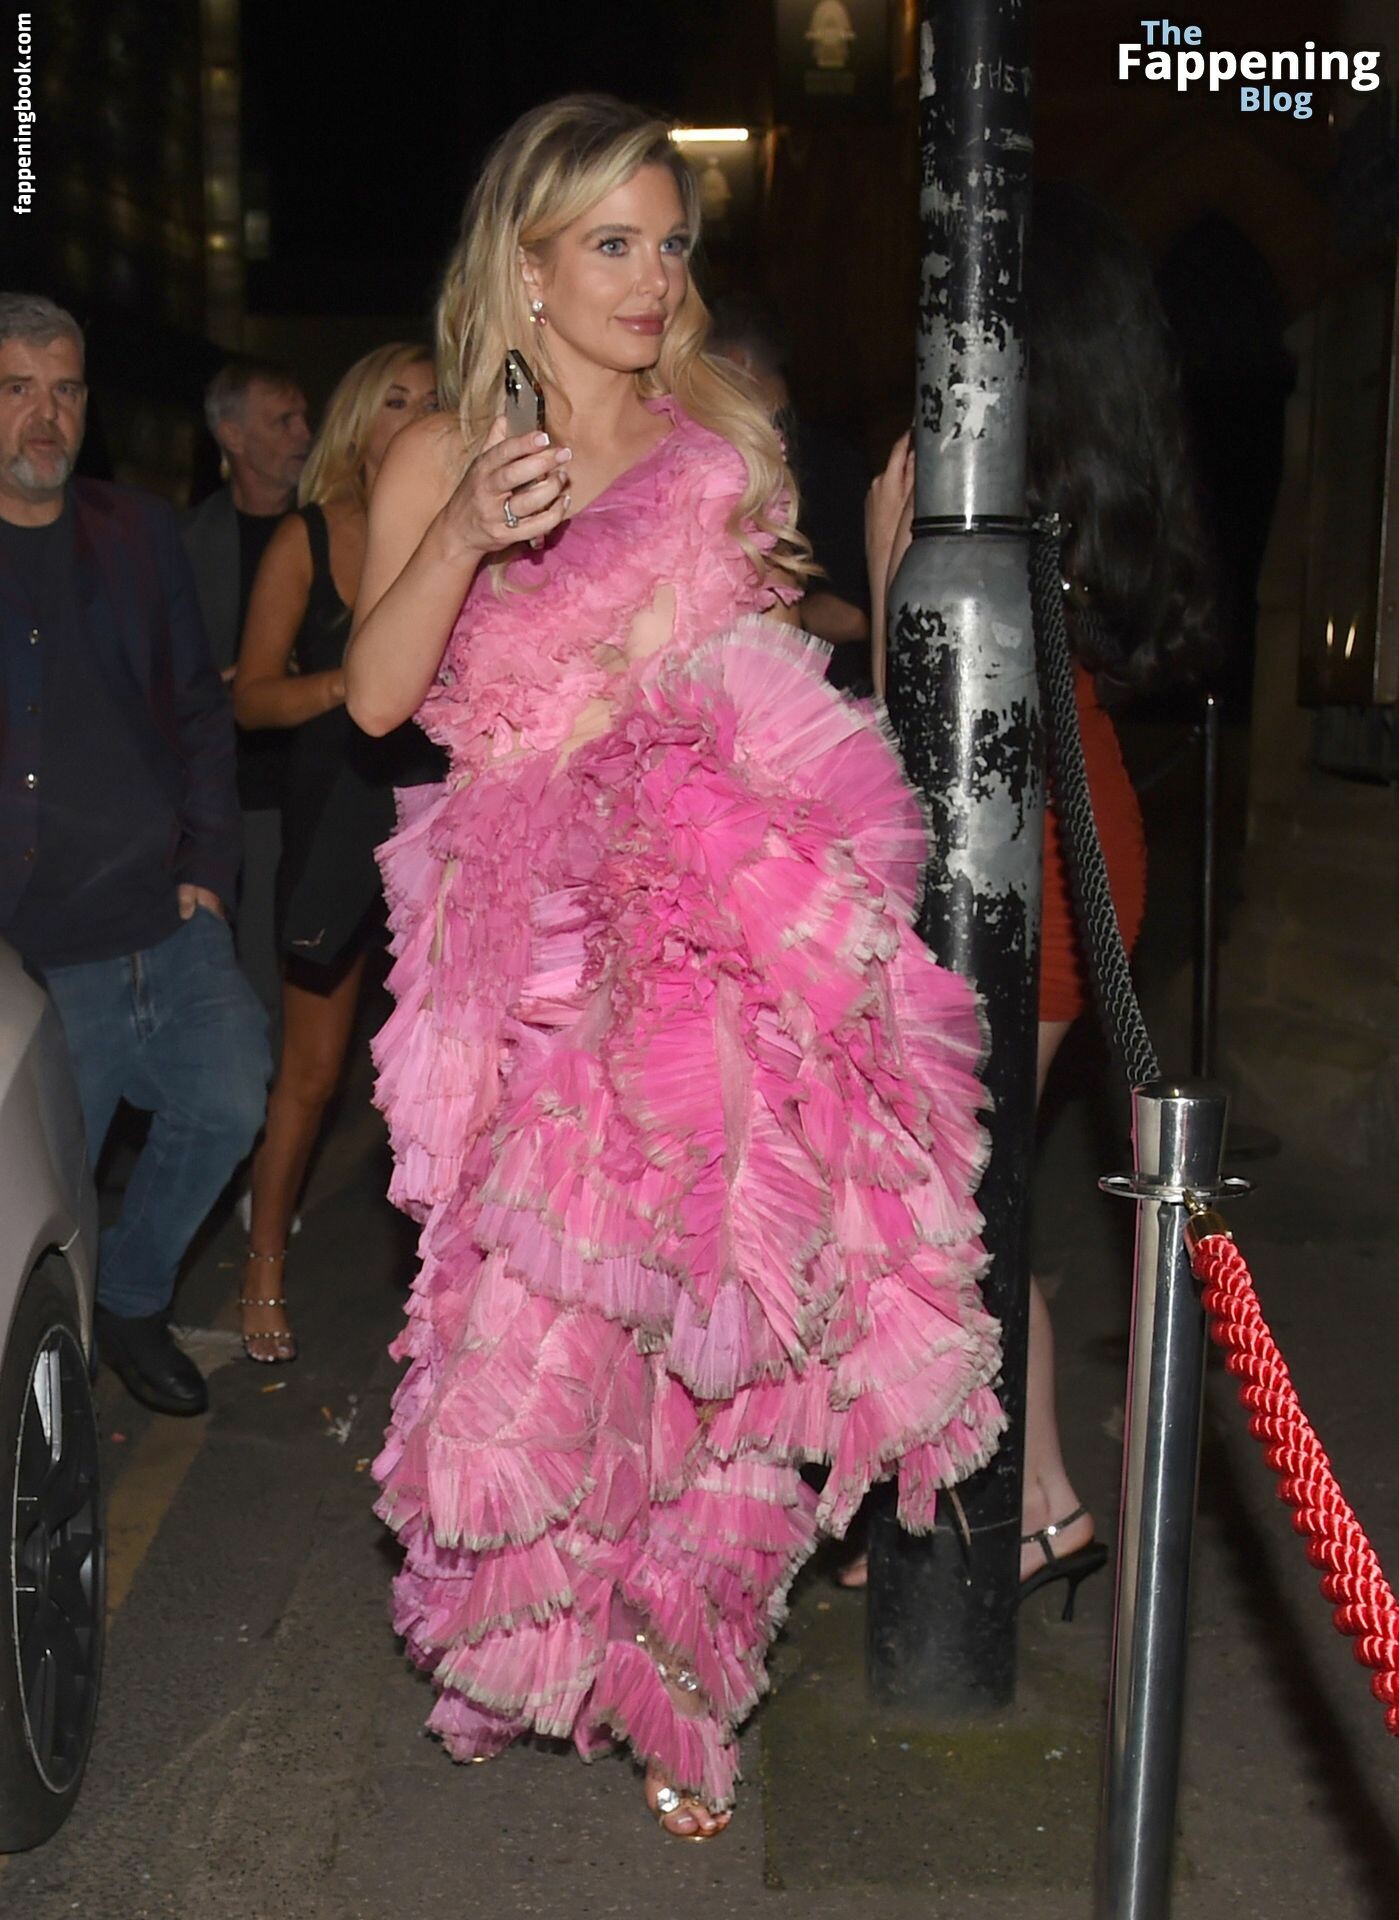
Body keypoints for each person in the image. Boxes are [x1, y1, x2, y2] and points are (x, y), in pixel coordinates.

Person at [343, 95, 1002, 1841]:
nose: (650, 281)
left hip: (696, 924)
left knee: (723, 1316)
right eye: (611, 245)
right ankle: (552, 1633)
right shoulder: (434, 450)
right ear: (526, 264)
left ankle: (678, 1670)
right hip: (523, 937)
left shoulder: (713, 445)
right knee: (540, 1324)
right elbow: (374, 700)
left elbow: (756, 684)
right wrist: (462, 530)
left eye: (669, 245)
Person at [856, 184, 1213, 1603]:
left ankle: (1012, 1506)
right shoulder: (1074, 477)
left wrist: (886, 568)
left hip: (1019, 838)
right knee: (968, 1182)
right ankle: (1037, 1502)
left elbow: (917, 716)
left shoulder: (970, 474)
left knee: (952, 1190)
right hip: (1070, 818)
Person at [0, 293, 271, 1416]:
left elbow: (201, 711)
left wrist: (207, 867)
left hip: (167, 914)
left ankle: (134, 1300)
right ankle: (49, 1409)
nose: (46, 416)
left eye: (65, 389)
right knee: (41, 1203)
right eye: (17, 389)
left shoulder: (137, 529)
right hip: (35, 952)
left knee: (231, 1098)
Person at [231, 343, 441, 1363]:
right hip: (335, 824)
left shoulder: (467, 532)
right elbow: (250, 698)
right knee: (311, 1076)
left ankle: (459, 1288)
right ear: (358, 420)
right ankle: (263, 1264)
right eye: (394, 399)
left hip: (439, 816)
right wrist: (353, 683)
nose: (415, 415)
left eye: (432, 401)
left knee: (451, 1072)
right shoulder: (308, 536)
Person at [182, 359, 313, 1019]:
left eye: (303, 418)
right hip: (230, 793)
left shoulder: (333, 528)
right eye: (283, 421)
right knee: (244, 978)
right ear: (232, 436)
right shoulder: (183, 542)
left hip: (318, 785)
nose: (304, 434)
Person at [707, 294, 874, 693]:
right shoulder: (728, 459)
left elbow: (852, 616)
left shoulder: (824, 463)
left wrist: (745, 616)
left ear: (734, 362)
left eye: (697, 366)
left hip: (823, 699)